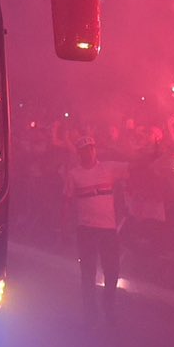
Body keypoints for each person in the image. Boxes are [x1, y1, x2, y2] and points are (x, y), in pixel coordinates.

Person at [64, 134, 126, 324]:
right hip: (86, 229)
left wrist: (154, 154)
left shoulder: (108, 168)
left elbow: (134, 166)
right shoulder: (74, 174)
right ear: (79, 154)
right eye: (84, 150)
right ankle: (90, 312)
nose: (88, 153)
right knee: (88, 272)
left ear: (95, 149)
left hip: (108, 229)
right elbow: (67, 202)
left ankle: (109, 306)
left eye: (91, 148)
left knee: (112, 270)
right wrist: (65, 228)